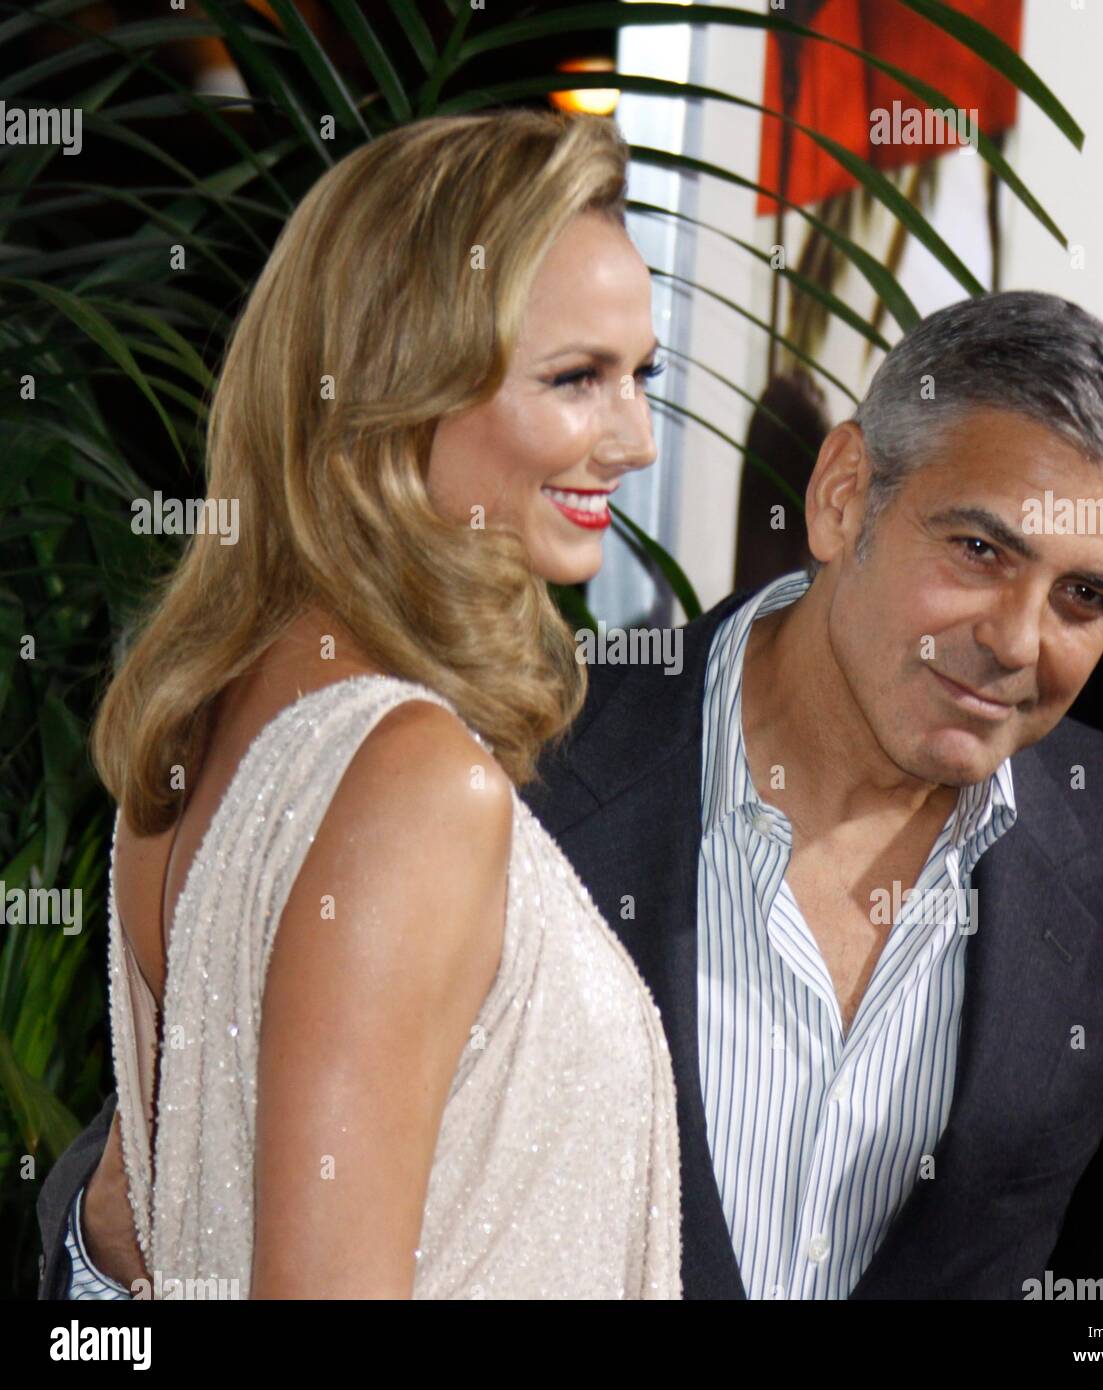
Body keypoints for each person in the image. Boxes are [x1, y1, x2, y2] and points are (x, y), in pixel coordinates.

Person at [36, 108, 681, 1299]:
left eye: (642, 375)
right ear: (399, 381)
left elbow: (137, 1219)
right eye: (576, 379)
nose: (632, 438)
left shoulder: (205, 714)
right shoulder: (413, 782)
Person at [524, 291, 1103, 1299]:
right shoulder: (523, 759)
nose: (1016, 641)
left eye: (1084, 595)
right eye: (980, 551)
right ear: (842, 494)